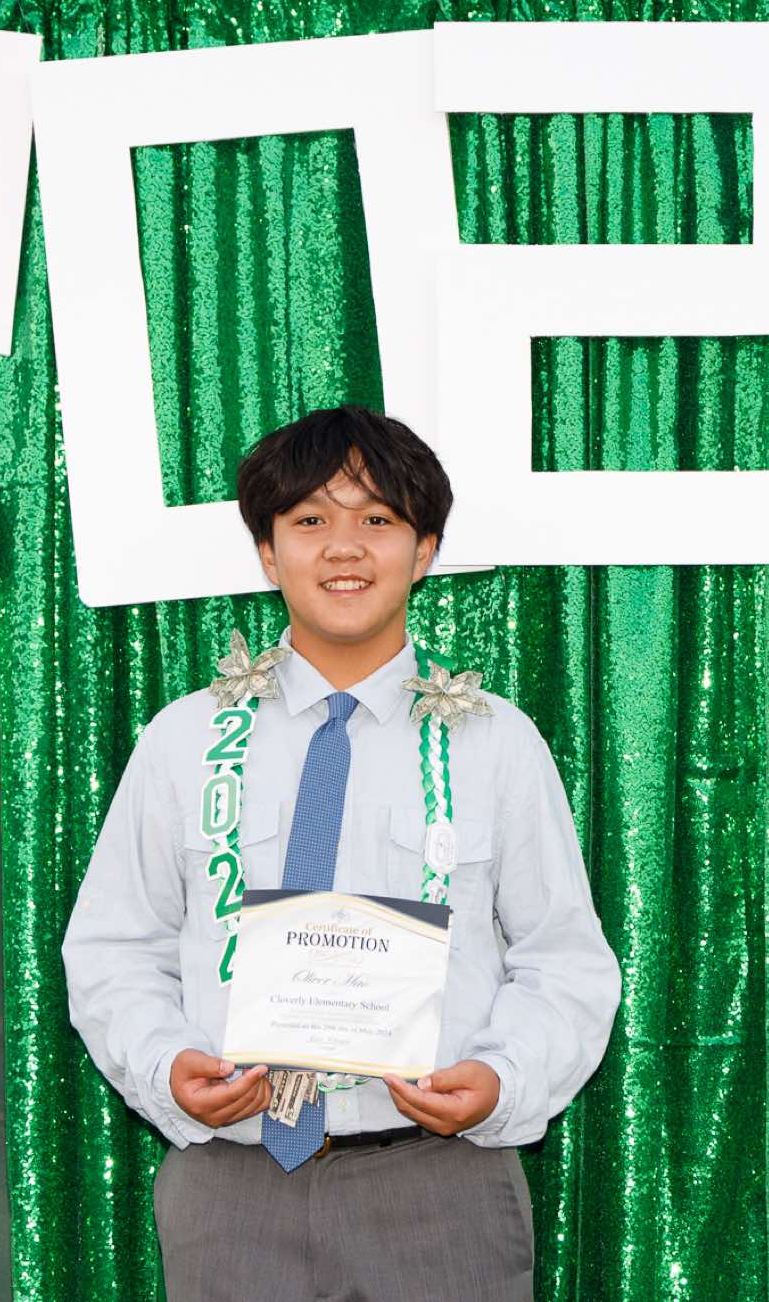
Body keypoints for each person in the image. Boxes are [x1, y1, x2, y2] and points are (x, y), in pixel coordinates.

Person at [61, 403, 621, 1301]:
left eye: (379, 519)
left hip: (440, 1188)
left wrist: (500, 1078)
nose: (345, 547)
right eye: (311, 519)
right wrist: (165, 1064)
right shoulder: (184, 740)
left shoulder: (497, 743)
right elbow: (113, 949)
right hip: (231, 1189)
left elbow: (564, 961)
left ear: (424, 550)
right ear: (267, 551)